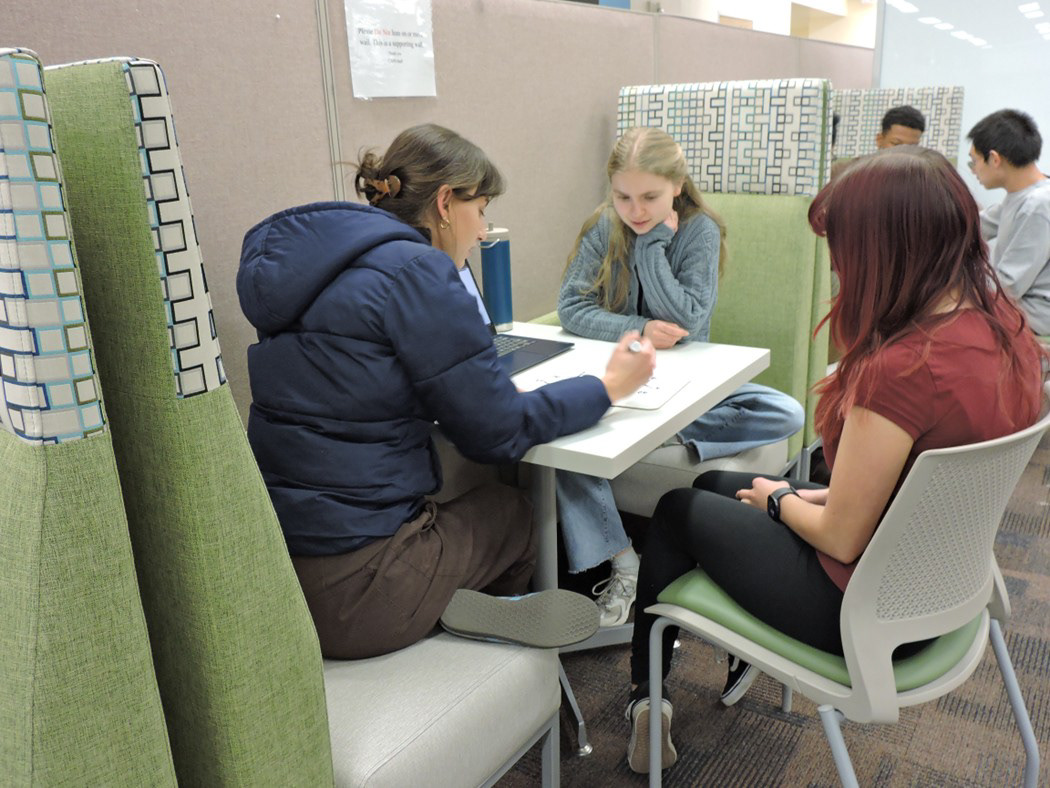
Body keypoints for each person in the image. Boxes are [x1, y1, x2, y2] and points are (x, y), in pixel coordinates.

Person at [623, 146, 1045, 773]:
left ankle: (644, 699)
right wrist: (812, 494)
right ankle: (702, 677)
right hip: (941, 580)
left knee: (679, 508)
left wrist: (782, 498)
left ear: (881, 250)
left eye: (844, 248)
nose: (840, 268)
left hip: (866, 612)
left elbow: (842, 539)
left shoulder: (902, 370)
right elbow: (925, 477)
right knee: (715, 481)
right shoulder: (1004, 327)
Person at [236, 123, 656, 660]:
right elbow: (498, 432)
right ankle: (482, 665)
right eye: (480, 209)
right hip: (363, 593)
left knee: (456, 495)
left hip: (283, 580)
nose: (482, 231)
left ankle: (443, 602)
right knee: (514, 513)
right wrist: (608, 387)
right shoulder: (418, 272)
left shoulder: (315, 270)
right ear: (443, 202)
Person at [556, 127, 804, 627]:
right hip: (623, 379)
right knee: (566, 443)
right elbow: (571, 308)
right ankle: (624, 561)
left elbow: (687, 319)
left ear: (677, 183)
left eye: (649, 196)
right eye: (623, 197)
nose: (636, 210)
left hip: (687, 386)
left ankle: (663, 432)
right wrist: (638, 326)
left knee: (785, 410)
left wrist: (652, 248)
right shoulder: (604, 227)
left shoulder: (699, 230)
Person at [968, 109, 1050, 335]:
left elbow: (1009, 285)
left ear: (994, 159)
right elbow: (974, 226)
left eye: (973, 162)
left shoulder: (1038, 204)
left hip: (1037, 316)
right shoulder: (1020, 196)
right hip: (1022, 307)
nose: (974, 171)